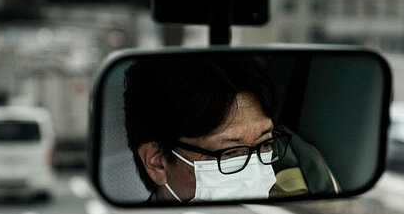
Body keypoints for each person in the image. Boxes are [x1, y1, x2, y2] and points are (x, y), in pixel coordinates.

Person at [122, 54, 337, 203]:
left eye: (266, 144)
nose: (255, 172)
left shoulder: (300, 194)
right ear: (157, 162)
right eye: (230, 153)